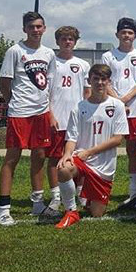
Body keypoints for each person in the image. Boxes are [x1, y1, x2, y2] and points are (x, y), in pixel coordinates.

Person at [0, 11, 56, 226]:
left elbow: (49, 84)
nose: (36, 30)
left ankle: (37, 202)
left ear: (44, 28)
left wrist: (48, 110)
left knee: (39, 155)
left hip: (41, 112)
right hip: (20, 112)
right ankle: (4, 208)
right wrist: (13, 101)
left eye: (39, 26)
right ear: (24, 29)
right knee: (12, 158)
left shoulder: (49, 53)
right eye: (31, 27)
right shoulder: (14, 51)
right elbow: (6, 80)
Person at [53, 64, 129, 228]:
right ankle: (71, 211)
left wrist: (89, 152)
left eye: (103, 79)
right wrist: (67, 155)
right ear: (89, 81)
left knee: (96, 213)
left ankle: (84, 193)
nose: (100, 83)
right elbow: (72, 137)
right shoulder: (79, 107)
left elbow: (117, 139)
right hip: (82, 160)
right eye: (96, 79)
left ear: (109, 82)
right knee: (64, 169)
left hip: (104, 168)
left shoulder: (117, 106)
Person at [101, 17, 136, 210]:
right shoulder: (108, 56)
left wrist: (126, 99)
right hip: (111, 109)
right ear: (117, 34)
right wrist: (119, 102)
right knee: (105, 147)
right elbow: (106, 81)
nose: (126, 35)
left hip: (135, 109)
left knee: (132, 150)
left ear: (135, 35)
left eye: (130, 33)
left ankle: (132, 190)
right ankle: (100, 187)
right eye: (123, 32)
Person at [43, 26, 91, 219]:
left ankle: (80, 193)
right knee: (54, 159)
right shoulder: (51, 62)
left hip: (77, 121)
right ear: (57, 41)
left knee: (77, 159)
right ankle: (56, 196)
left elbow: (87, 93)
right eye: (63, 38)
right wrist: (50, 115)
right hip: (57, 119)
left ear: (75, 41)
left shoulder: (83, 65)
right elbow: (45, 93)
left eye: (71, 38)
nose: (67, 42)